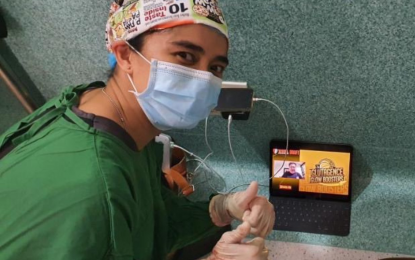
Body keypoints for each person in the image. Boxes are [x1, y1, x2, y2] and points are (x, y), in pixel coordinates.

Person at [0, 1, 275, 259]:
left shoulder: (102, 110)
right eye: (186, 56)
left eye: (215, 67)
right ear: (124, 54)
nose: (204, 80)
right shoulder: (93, 193)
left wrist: (220, 209)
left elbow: (147, 221)